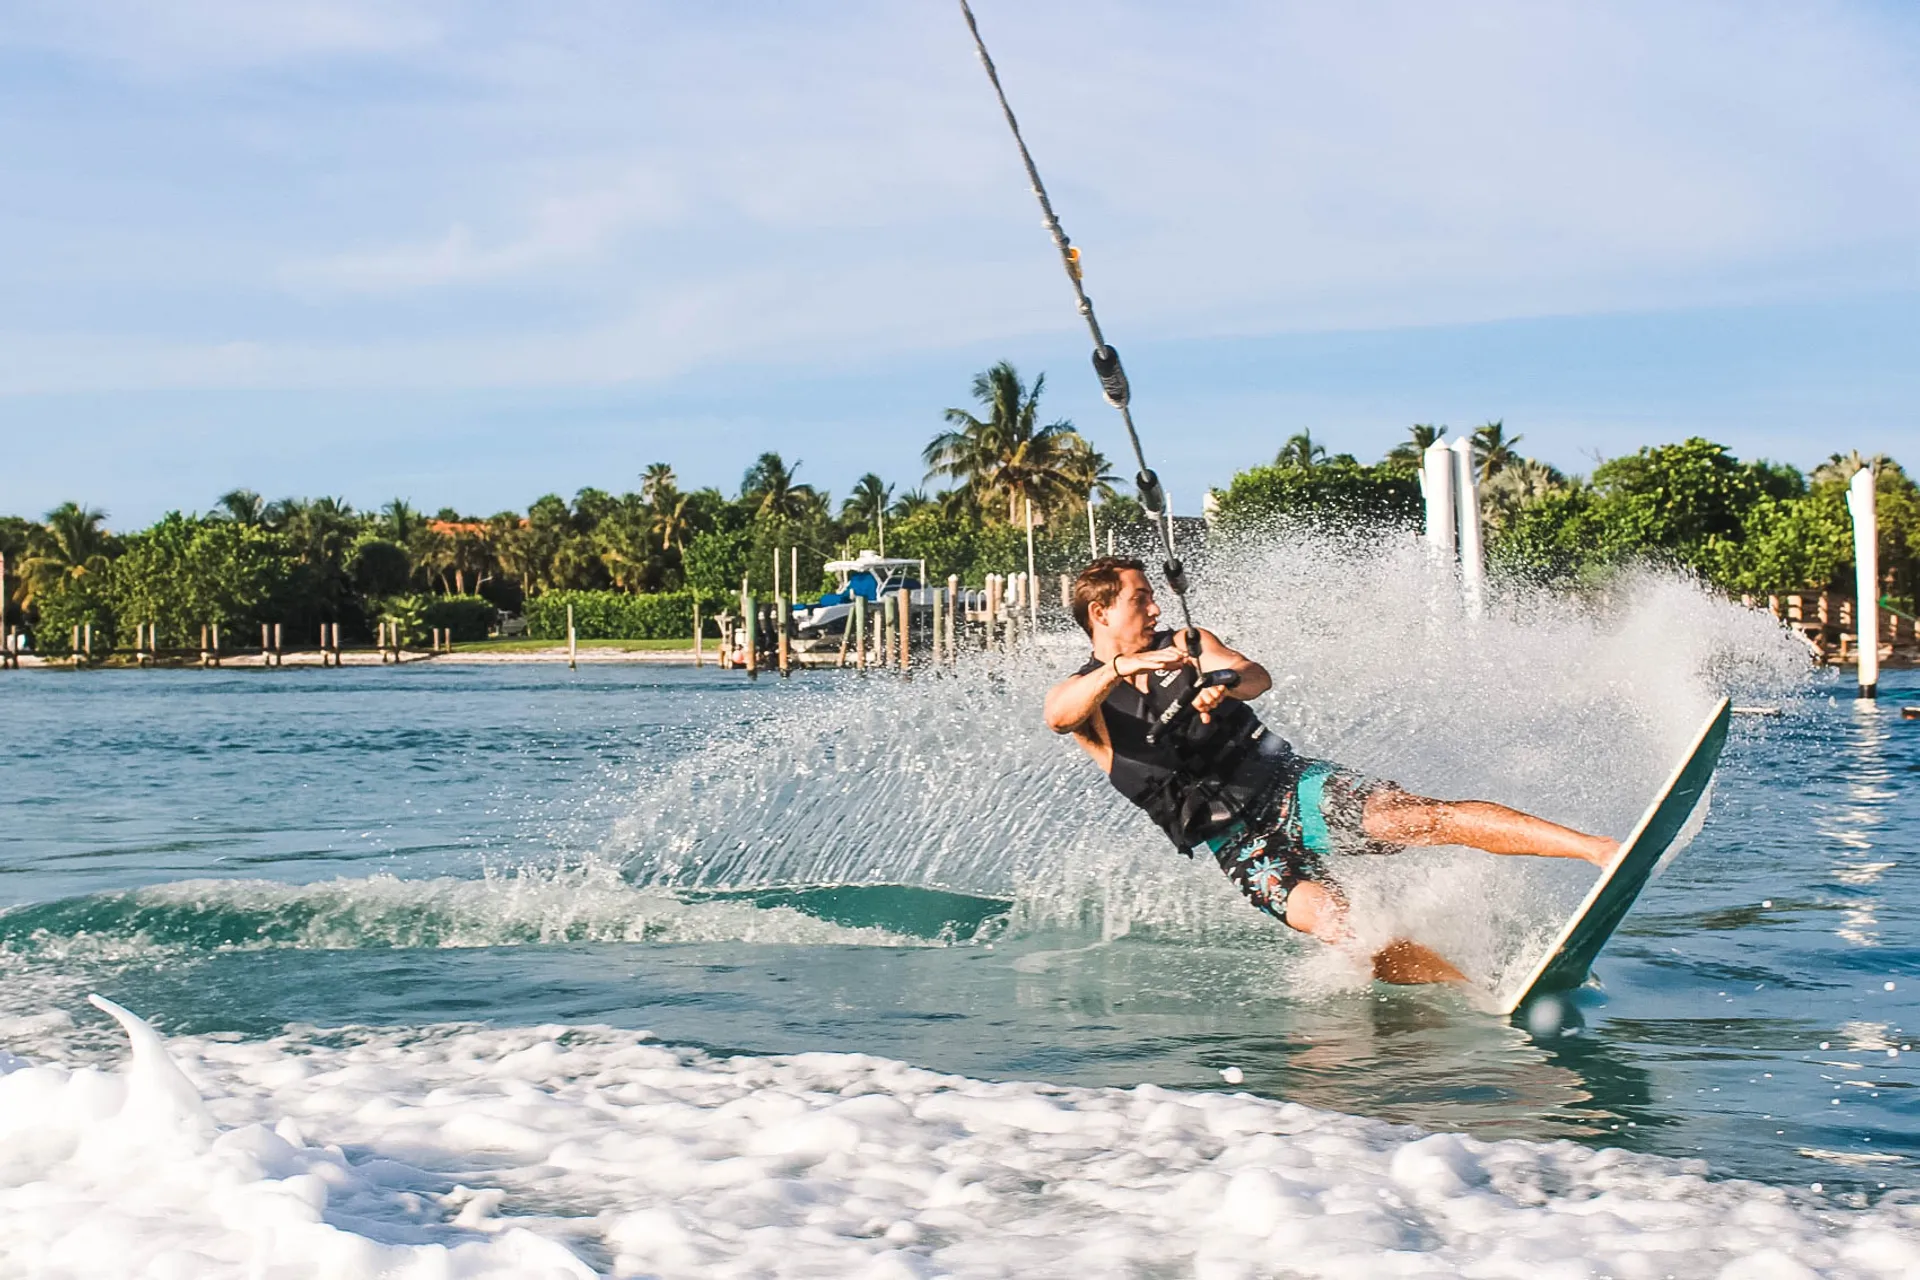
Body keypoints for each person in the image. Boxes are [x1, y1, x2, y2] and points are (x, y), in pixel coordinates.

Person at [1042, 557, 1618, 984]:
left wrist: (1220, 683)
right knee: (1343, 927)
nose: (1156, 607)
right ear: (1101, 611)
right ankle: (1477, 991)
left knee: (1411, 819)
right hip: (1234, 841)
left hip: (1287, 785)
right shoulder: (1090, 702)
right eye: (1140, 598)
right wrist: (1125, 665)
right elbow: (1056, 714)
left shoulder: (1189, 643)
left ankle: (1598, 850)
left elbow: (1253, 674)